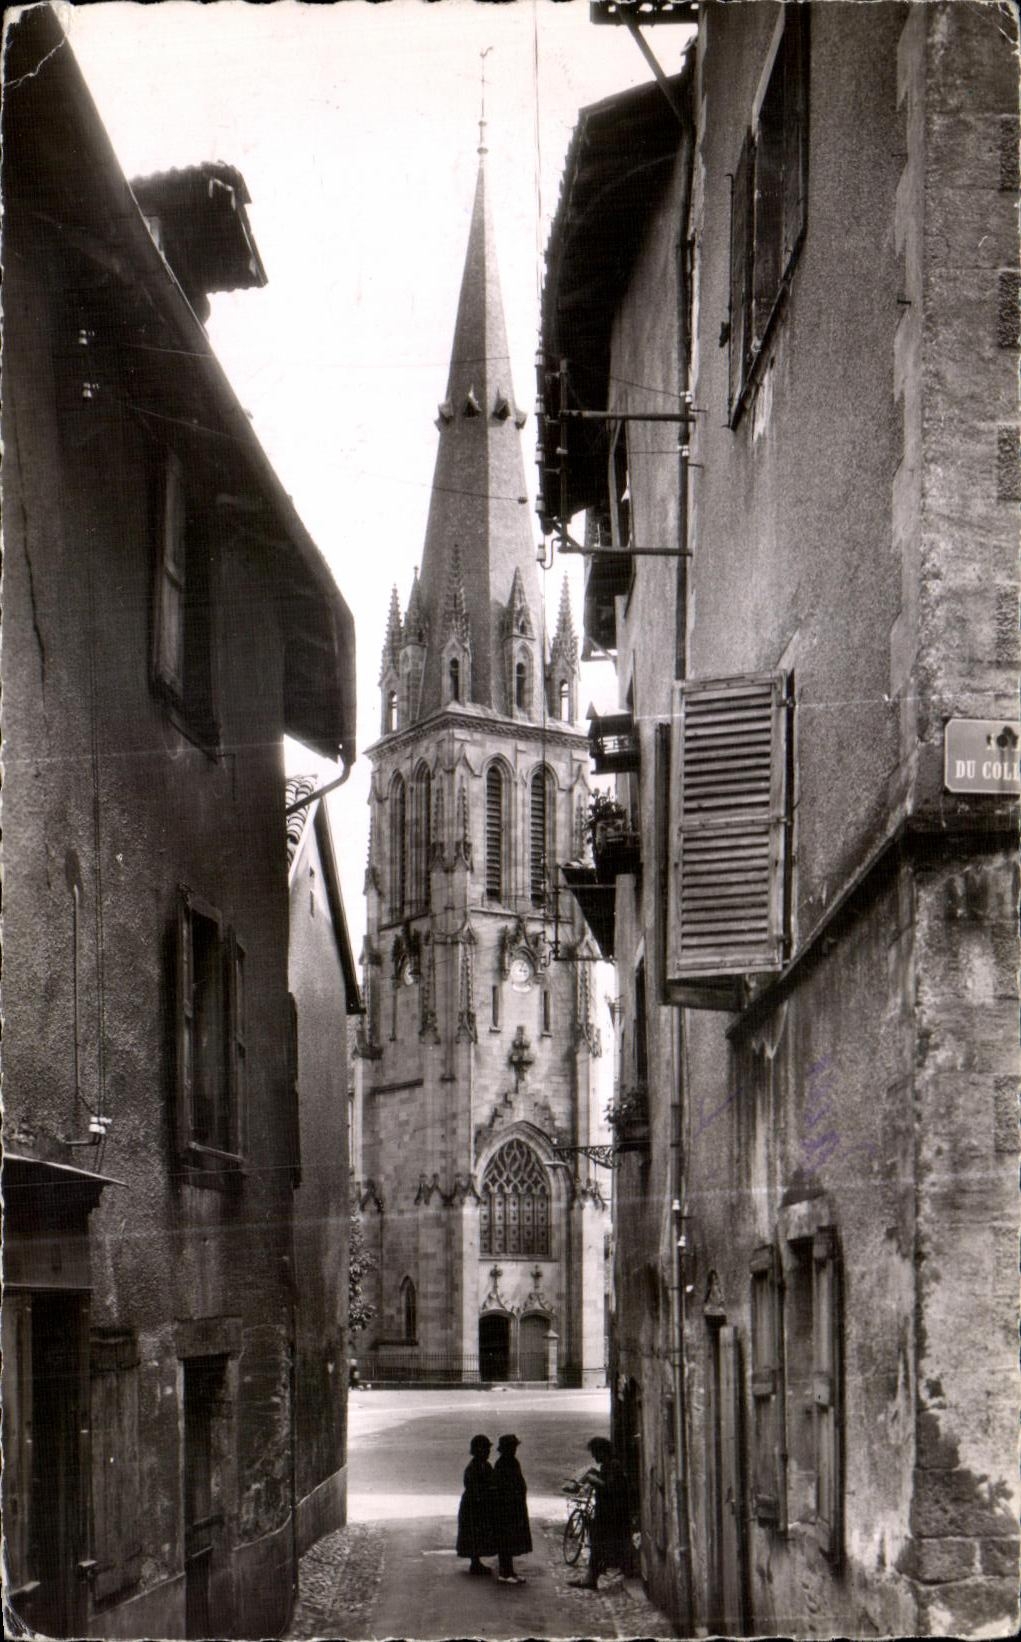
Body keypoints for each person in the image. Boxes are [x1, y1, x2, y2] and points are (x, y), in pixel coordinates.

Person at [568, 1436, 630, 1591]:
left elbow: (611, 1488)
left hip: (611, 1513)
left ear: (603, 1451)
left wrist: (592, 1480)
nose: (594, 1457)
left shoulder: (613, 1465)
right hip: (607, 1512)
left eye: (595, 1453)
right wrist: (593, 1473)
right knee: (598, 1544)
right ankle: (591, 1578)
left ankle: (591, 1579)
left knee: (599, 1544)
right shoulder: (609, 1465)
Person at [492, 1433, 531, 1584]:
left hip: (513, 1507)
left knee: (509, 1541)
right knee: (505, 1541)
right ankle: (504, 1573)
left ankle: (509, 1571)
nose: (514, 1449)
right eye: (512, 1447)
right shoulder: (502, 1464)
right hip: (506, 1508)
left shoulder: (510, 1461)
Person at [456, 1434, 496, 1575]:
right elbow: (474, 1486)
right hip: (473, 1504)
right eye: (486, 1449)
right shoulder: (473, 1468)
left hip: (477, 1503)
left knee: (477, 1533)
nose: (488, 1452)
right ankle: (475, 1562)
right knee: (474, 1532)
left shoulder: (484, 1465)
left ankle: (476, 1562)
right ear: (478, 1450)